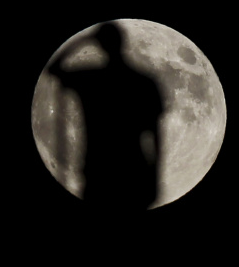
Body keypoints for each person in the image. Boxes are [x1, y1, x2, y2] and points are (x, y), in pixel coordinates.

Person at [49, 23, 163, 214]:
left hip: (99, 174)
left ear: (99, 45)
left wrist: (83, 39)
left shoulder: (91, 80)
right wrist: (156, 174)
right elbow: (156, 133)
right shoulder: (143, 82)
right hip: (135, 174)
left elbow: (53, 69)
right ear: (123, 42)